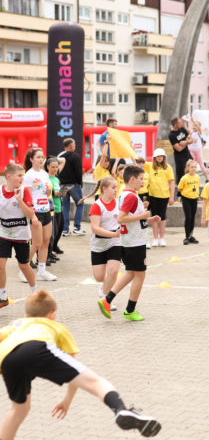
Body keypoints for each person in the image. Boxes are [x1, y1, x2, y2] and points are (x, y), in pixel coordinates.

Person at [0, 290, 161, 439]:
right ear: (52, 314)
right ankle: (121, 409)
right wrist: (67, 401)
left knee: (19, 409)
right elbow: (73, 369)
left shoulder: (15, 325)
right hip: (37, 348)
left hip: (7, 359)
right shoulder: (56, 327)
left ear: (26, 313)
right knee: (95, 382)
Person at [98, 166, 160, 321]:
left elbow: (132, 217)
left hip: (129, 241)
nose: (143, 182)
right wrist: (142, 215)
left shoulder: (125, 195)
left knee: (131, 273)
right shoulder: (131, 196)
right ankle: (130, 309)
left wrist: (148, 218)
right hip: (134, 242)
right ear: (132, 179)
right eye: (141, 178)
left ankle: (107, 299)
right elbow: (121, 218)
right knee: (140, 275)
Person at [0, 163, 38, 304]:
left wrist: (19, 200)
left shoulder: (24, 191)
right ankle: (2, 297)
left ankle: (35, 292)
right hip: (3, 233)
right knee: (0, 265)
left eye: (23, 175)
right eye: (19, 175)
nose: (22, 178)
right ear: (8, 177)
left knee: (23, 265)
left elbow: (30, 214)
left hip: (21, 234)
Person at [22, 149, 56, 282]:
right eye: (38, 157)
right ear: (31, 159)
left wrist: (48, 192)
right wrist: (32, 215)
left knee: (46, 241)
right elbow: (28, 196)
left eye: (42, 157)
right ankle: (23, 268)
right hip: (35, 211)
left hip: (46, 209)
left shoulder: (45, 174)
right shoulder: (28, 175)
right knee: (36, 243)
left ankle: (42, 271)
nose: (41, 159)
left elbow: (47, 194)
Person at [89, 177, 121, 312]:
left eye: (116, 187)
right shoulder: (97, 205)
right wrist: (112, 233)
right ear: (104, 189)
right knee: (99, 277)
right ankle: (103, 286)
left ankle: (107, 299)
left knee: (113, 271)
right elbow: (95, 228)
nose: (116, 190)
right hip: (99, 244)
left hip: (116, 243)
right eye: (113, 188)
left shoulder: (119, 203)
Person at [144, 149, 175, 247]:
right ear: (154, 157)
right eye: (158, 156)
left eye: (161, 156)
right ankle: (155, 238)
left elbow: (172, 182)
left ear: (164, 157)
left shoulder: (168, 167)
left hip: (164, 196)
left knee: (162, 217)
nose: (160, 158)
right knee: (154, 217)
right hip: (152, 195)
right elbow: (137, 163)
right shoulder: (149, 166)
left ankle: (162, 238)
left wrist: (171, 196)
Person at [57, 138, 85, 237]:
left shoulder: (59, 156)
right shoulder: (75, 157)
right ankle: (77, 227)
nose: (75, 146)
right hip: (73, 185)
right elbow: (78, 172)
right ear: (70, 146)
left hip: (63, 185)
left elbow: (57, 171)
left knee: (65, 207)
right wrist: (80, 182)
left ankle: (65, 229)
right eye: (74, 145)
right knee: (80, 204)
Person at [177, 159, 201, 245]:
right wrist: (184, 194)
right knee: (188, 216)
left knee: (193, 217)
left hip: (194, 198)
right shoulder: (184, 178)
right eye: (191, 167)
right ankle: (186, 237)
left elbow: (197, 187)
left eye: (195, 167)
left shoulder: (197, 177)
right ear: (188, 168)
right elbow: (179, 188)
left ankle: (191, 235)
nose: (193, 169)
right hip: (186, 198)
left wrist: (197, 195)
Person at [46, 158, 64, 264]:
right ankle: (47, 254)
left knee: (58, 230)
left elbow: (60, 189)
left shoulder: (56, 179)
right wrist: (54, 193)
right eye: (53, 167)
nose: (55, 169)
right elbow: (48, 191)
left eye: (56, 167)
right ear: (47, 167)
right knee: (51, 233)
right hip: (50, 209)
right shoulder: (46, 178)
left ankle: (51, 251)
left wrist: (63, 191)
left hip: (58, 208)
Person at [168, 117, 193, 190]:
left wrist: (185, 142)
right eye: (179, 122)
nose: (181, 123)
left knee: (191, 171)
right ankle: (180, 195)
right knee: (181, 175)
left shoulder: (182, 129)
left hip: (187, 154)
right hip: (179, 158)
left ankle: (191, 191)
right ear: (175, 124)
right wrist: (187, 142)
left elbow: (192, 140)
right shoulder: (171, 135)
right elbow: (178, 149)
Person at [188, 116, 209, 180]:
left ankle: (207, 179)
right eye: (193, 125)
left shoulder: (199, 133)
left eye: (195, 126)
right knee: (192, 164)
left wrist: (193, 120)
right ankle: (192, 177)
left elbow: (198, 127)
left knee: (201, 165)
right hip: (191, 150)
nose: (194, 127)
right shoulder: (191, 132)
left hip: (198, 150)